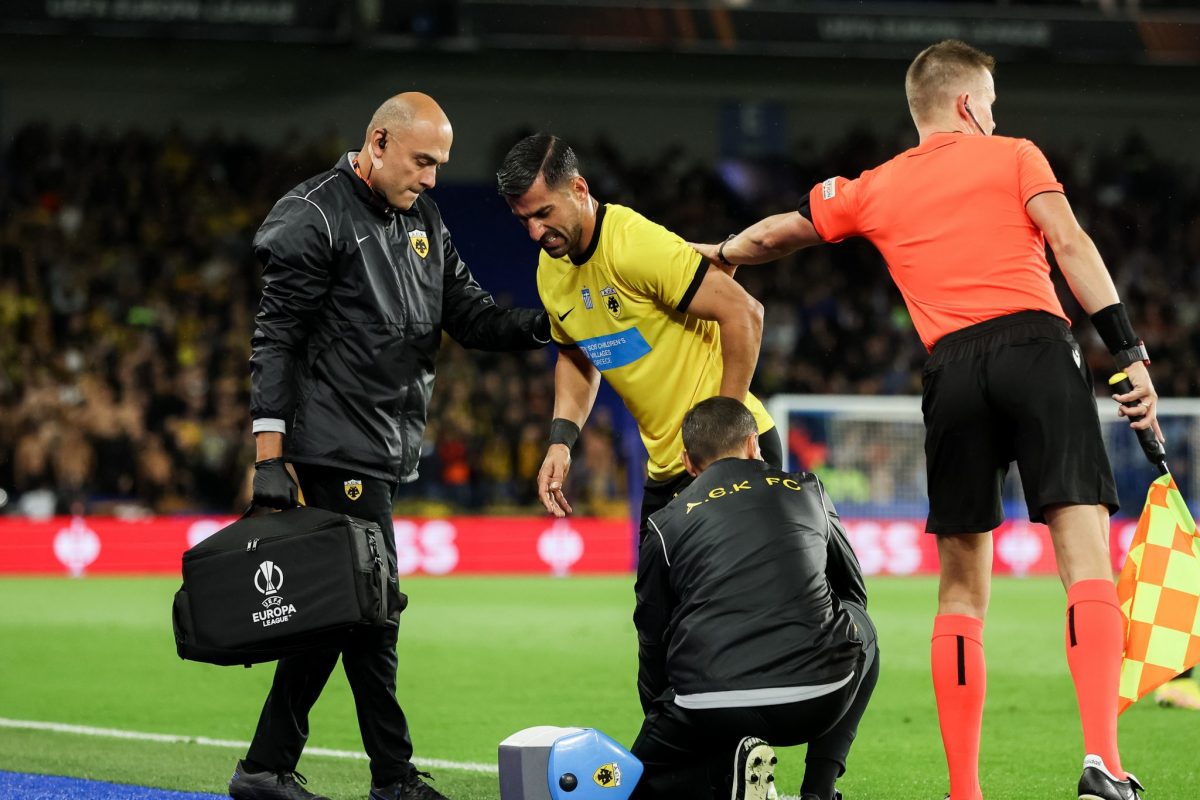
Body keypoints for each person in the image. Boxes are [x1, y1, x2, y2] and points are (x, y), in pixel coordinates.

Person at [694, 40, 1160, 800]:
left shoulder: (875, 185)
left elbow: (778, 232)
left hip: (953, 370)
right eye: (991, 105)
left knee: (961, 593)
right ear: (969, 103)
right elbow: (1071, 243)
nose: (995, 117)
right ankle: (1102, 764)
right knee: (1085, 564)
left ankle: (964, 791)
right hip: (1039, 350)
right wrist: (1128, 350)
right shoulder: (1015, 156)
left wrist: (716, 252)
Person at [236, 92, 551, 800]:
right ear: (378, 142)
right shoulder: (314, 215)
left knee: (338, 612)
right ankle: (392, 778)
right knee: (374, 613)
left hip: (380, 445)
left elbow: (470, 316)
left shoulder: (424, 220)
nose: (433, 179)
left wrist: (549, 326)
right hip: (333, 447)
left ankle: (264, 768)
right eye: (423, 161)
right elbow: (275, 339)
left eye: (440, 164)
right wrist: (269, 457)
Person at [495, 133, 780, 535]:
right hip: (669, 467)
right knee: (654, 579)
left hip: (728, 454)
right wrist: (561, 441)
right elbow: (575, 356)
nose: (535, 232)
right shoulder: (550, 271)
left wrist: (726, 437)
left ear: (579, 189)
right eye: (524, 220)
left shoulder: (634, 244)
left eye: (543, 213)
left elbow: (745, 313)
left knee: (732, 581)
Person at [631, 397, 878, 800]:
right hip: (817, 698)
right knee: (859, 622)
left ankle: (720, 772)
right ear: (752, 444)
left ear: (687, 463)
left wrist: (665, 717)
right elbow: (853, 591)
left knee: (642, 786)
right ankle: (819, 790)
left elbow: (651, 635)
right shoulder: (808, 489)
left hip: (706, 707)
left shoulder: (664, 523)